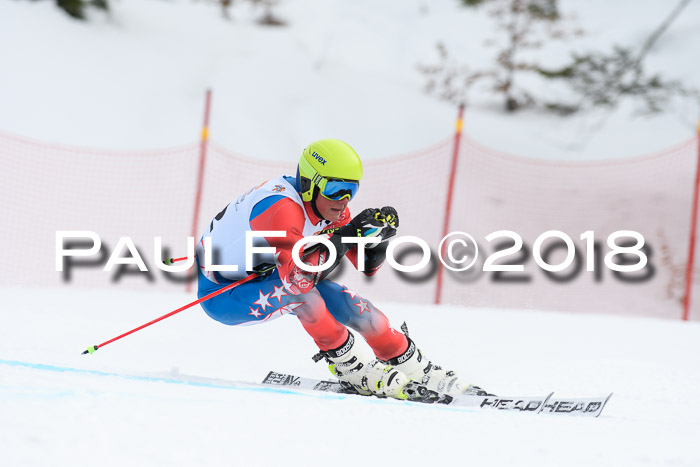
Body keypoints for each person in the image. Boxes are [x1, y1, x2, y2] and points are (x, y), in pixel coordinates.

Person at [195, 138, 482, 399]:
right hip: (223, 296)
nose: (343, 200)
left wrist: (375, 237)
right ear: (310, 183)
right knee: (302, 296)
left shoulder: (329, 207)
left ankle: (413, 366)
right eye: (335, 189)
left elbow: (365, 266)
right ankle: (350, 365)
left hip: (269, 275)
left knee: (356, 306)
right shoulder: (280, 209)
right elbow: (300, 279)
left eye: (351, 190)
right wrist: (344, 236)